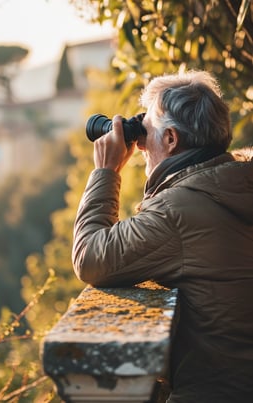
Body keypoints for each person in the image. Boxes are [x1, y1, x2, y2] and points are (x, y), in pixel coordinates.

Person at [72, 69, 253, 403]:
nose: (140, 142)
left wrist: (106, 172)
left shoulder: (178, 211)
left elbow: (90, 257)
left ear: (170, 139)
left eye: (147, 129)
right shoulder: (236, 183)